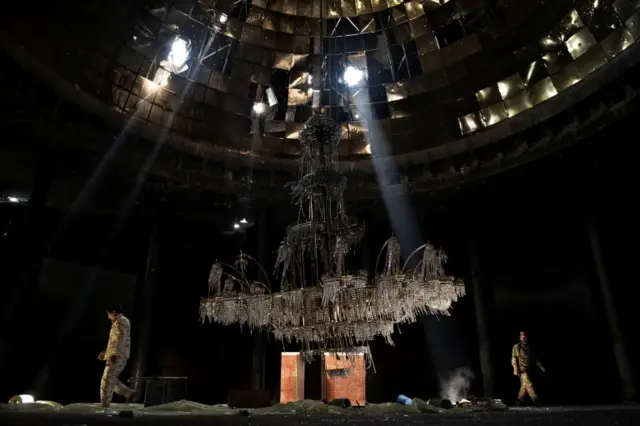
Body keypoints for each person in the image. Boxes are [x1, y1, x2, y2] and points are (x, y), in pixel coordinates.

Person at [98, 305, 135, 407]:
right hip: (119, 353)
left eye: (109, 314)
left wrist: (113, 354)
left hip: (118, 354)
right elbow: (114, 340)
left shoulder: (121, 322)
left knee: (107, 380)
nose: (108, 317)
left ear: (114, 312)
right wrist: (106, 352)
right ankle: (127, 392)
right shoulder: (121, 321)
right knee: (111, 378)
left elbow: (119, 339)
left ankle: (104, 404)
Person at [511, 331, 546, 406]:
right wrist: (515, 368)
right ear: (520, 337)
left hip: (528, 369)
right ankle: (536, 400)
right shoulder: (517, 346)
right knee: (529, 384)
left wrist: (541, 366)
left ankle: (519, 401)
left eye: (525, 336)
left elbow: (534, 358)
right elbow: (514, 358)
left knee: (524, 386)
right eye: (522, 336)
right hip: (522, 370)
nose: (523, 338)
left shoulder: (529, 347)